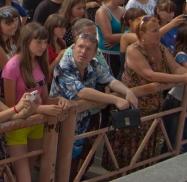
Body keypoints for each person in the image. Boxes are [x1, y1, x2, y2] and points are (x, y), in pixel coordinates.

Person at [106, 15, 187, 171]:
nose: (159, 34)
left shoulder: (161, 48)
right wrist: (182, 78)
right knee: (131, 152)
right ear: (142, 34)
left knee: (149, 149)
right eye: (154, 31)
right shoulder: (133, 50)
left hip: (154, 107)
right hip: (134, 108)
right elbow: (150, 75)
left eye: (158, 30)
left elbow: (175, 67)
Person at [51, 30, 138, 180]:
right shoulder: (64, 66)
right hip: (58, 125)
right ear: (73, 48)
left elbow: (110, 80)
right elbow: (82, 92)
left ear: (94, 53)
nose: (83, 51)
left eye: (88, 49)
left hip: (80, 125)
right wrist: (114, 99)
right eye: (80, 47)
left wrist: (127, 91)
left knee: (74, 164)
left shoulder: (93, 64)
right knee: (56, 166)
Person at [2, 23, 70, 182]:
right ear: (26, 41)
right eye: (38, 42)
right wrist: (42, 109)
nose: (43, 46)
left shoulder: (41, 62)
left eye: (45, 42)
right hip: (18, 126)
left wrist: (60, 99)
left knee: (28, 170)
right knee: (24, 177)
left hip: (37, 124)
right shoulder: (12, 66)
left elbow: (45, 98)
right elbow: (10, 107)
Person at [95, 0, 127, 78]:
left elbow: (131, 31)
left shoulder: (123, 10)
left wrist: (117, 40)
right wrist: (125, 37)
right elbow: (108, 37)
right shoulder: (102, 12)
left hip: (122, 53)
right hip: (108, 55)